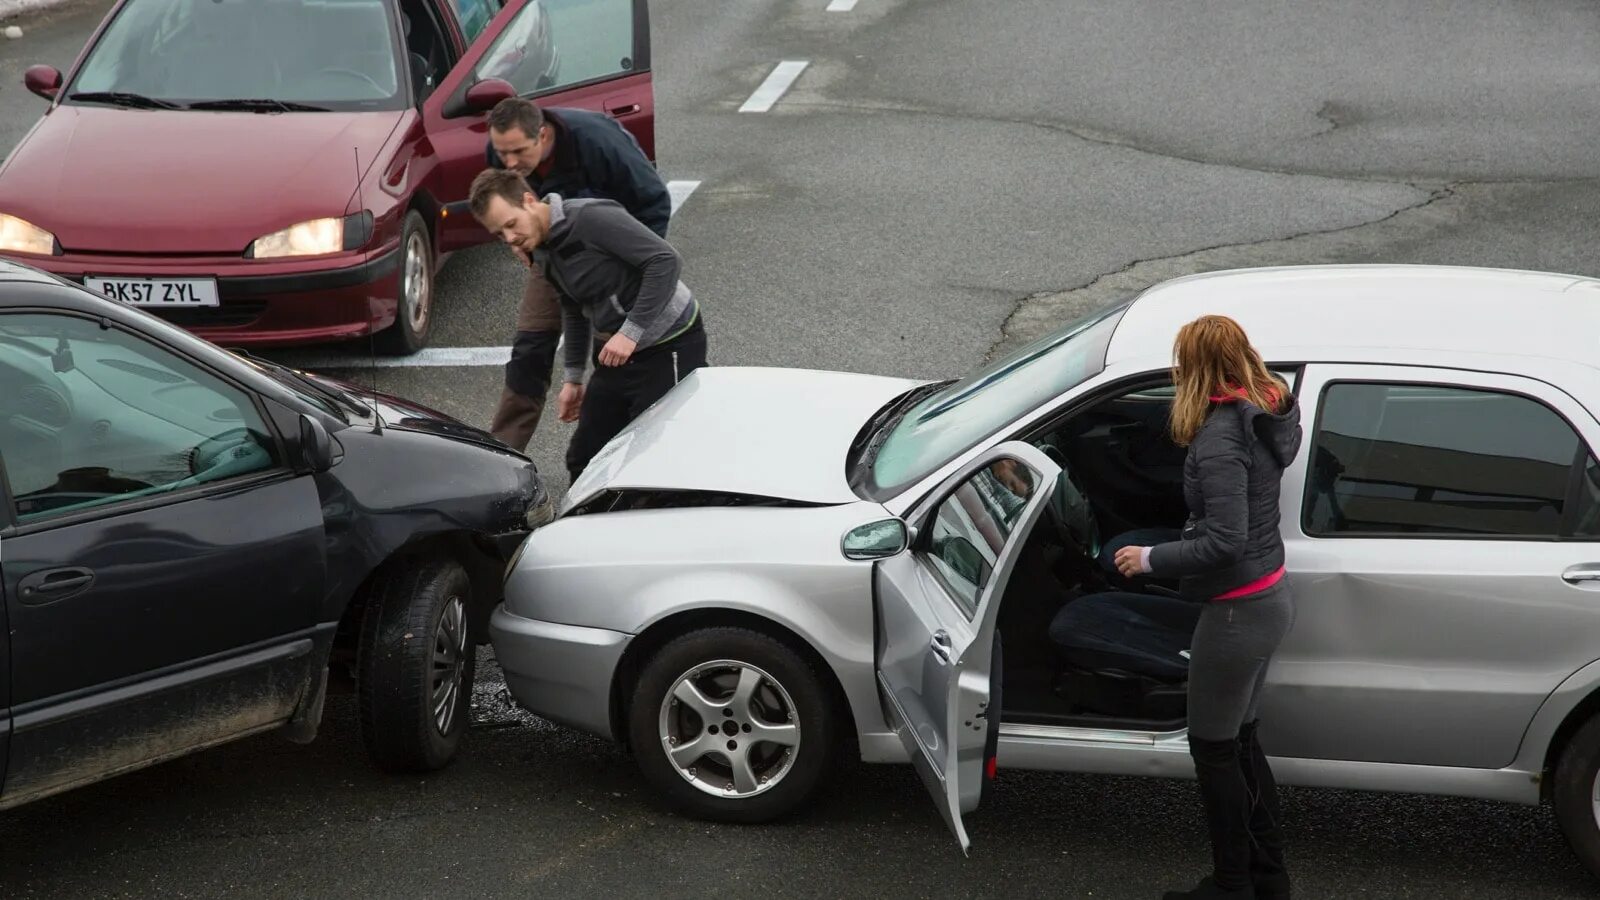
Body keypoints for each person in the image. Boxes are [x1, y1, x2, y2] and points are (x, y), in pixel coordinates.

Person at [1105, 315, 1302, 899]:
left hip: (1238, 611)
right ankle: (1268, 879)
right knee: (1239, 743)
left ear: (1194, 367)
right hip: (1268, 595)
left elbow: (1225, 540)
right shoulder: (1267, 412)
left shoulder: (1221, 435)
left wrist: (1150, 559)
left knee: (1213, 749)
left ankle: (1232, 885)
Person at [468, 168, 707, 482]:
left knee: (650, 455)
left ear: (528, 201)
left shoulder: (591, 218)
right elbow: (573, 305)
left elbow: (665, 260)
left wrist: (630, 332)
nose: (510, 239)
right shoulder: (540, 248)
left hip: (669, 342)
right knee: (583, 456)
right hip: (617, 352)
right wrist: (574, 378)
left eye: (511, 224)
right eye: (500, 234)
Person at [482, 97, 672, 452]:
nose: (509, 163)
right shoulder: (503, 150)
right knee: (529, 350)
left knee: (614, 360)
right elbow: (502, 201)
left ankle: (630, 458)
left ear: (542, 135)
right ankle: (501, 457)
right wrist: (522, 246)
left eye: (518, 152)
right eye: (501, 153)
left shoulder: (599, 143)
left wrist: (630, 271)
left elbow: (655, 203)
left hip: (611, 256)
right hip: (550, 254)